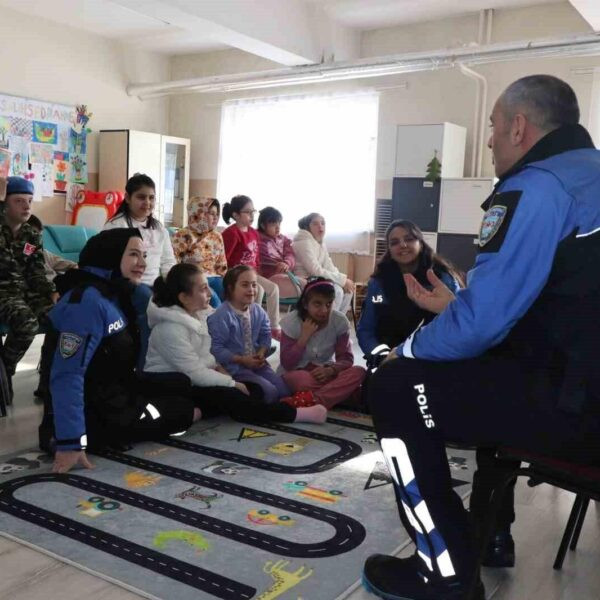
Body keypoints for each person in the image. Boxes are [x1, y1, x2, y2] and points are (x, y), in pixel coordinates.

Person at [361, 75, 600, 600]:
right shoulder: (590, 177)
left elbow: (481, 327)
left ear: (518, 126)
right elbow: (563, 299)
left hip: (576, 405)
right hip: (580, 379)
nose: (489, 140)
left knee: (395, 386)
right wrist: (460, 309)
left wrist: (403, 352)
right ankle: (490, 535)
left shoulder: (537, 187)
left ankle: (444, 573)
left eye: (492, 126)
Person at [43, 229, 199, 475]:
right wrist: (70, 442)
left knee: (182, 383)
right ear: (111, 256)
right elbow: (67, 375)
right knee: (184, 412)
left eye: (144, 255)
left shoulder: (113, 293)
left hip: (113, 391)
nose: (143, 263)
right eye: (134, 255)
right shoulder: (86, 303)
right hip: (95, 413)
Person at [144, 263, 326, 424]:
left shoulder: (200, 315)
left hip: (195, 378)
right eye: (203, 289)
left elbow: (208, 357)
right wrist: (232, 383)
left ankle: (200, 411)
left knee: (252, 391)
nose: (210, 293)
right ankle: (294, 414)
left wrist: (224, 374)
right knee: (235, 397)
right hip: (172, 385)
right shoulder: (169, 329)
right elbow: (195, 373)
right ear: (184, 297)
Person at [357, 219, 462, 366]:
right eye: (394, 242)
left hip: (432, 358)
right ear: (389, 250)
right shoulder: (378, 282)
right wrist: (382, 357)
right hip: (388, 361)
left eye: (409, 239)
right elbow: (366, 330)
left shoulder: (442, 278)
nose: (403, 245)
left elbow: (460, 324)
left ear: (420, 243)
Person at [0, 177, 57, 399]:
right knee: (27, 323)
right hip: (3, 292)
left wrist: (52, 291)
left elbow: (35, 271)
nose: (27, 207)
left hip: (26, 291)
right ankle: (5, 369)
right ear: (5, 204)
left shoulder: (31, 235)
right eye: (19, 201)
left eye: (30, 201)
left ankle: (48, 379)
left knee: (60, 317)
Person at [207, 265, 290, 404]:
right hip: (234, 368)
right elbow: (216, 349)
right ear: (230, 288)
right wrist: (242, 360)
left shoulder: (257, 310)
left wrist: (262, 353)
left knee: (284, 391)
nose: (251, 290)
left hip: (257, 364)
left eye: (254, 285)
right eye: (245, 285)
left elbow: (265, 334)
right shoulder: (221, 315)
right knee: (270, 393)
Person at [280, 277, 365, 409]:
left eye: (329, 304)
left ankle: (312, 400)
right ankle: (338, 395)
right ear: (305, 304)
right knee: (300, 382)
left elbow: (346, 359)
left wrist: (330, 370)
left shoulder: (339, 321)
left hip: (325, 372)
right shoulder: (291, 322)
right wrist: (303, 338)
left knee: (359, 371)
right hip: (299, 373)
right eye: (317, 304)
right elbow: (287, 363)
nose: (324, 310)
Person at [221, 195, 281, 340]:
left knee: (268, 289)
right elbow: (224, 258)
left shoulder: (253, 233)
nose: (251, 215)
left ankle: (267, 326)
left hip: (251, 273)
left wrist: (258, 270)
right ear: (235, 215)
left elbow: (256, 256)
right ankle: (254, 326)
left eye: (253, 212)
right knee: (262, 290)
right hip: (237, 274)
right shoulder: (231, 233)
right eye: (247, 212)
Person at [103, 173, 176, 286]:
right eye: (141, 197)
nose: (147, 202)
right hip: (129, 285)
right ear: (127, 198)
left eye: (151, 198)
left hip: (156, 286)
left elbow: (168, 261)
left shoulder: (159, 229)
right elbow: (110, 264)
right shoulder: (115, 226)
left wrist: (172, 285)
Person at [292, 213, 354, 314]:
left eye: (322, 223)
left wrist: (344, 281)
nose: (320, 226)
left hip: (317, 279)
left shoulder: (320, 243)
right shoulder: (303, 242)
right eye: (315, 224)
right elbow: (315, 270)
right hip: (304, 280)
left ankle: (336, 324)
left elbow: (329, 266)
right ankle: (326, 325)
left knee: (348, 291)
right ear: (308, 227)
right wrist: (341, 281)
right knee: (336, 291)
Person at [171, 196, 227, 307]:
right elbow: (174, 262)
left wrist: (227, 282)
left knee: (233, 297)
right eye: (211, 213)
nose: (215, 217)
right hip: (194, 279)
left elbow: (222, 264)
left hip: (215, 278)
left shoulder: (217, 236)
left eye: (217, 214)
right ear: (199, 214)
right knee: (215, 302)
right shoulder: (183, 235)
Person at [257, 206, 306, 299]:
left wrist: (286, 263)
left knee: (311, 286)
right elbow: (264, 260)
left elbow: (290, 254)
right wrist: (280, 265)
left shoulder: (283, 239)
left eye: (279, 223)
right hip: (269, 279)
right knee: (307, 287)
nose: (278, 227)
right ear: (263, 225)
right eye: (273, 224)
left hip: (287, 274)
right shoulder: (257, 240)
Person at [27, 215, 78, 282]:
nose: (38, 239)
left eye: (40, 235)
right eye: (34, 234)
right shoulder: (18, 257)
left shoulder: (45, 254)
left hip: (57, 286)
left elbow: (72, 265)